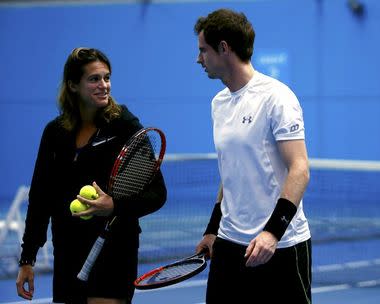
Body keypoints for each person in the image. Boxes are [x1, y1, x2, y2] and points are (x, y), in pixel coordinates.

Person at [16, 47, 167, 304]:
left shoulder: (125, 127)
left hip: (114, 249)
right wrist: (27, 258)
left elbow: (157, 194)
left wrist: (114, 206)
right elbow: (41, 197)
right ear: (73, 85)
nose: (104, 85)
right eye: (94, 79)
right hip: (68, 251)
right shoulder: (54, 133)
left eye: (107, 78)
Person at [194, 9, 312, 303]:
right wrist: (212, 230)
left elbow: (300, 169)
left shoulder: (277, 98)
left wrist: (272, 234)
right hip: (229, 245)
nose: (199, 59)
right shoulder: (218, 103)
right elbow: (230, 172)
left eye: (203, 50)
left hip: (281, 246)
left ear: (224, 48)